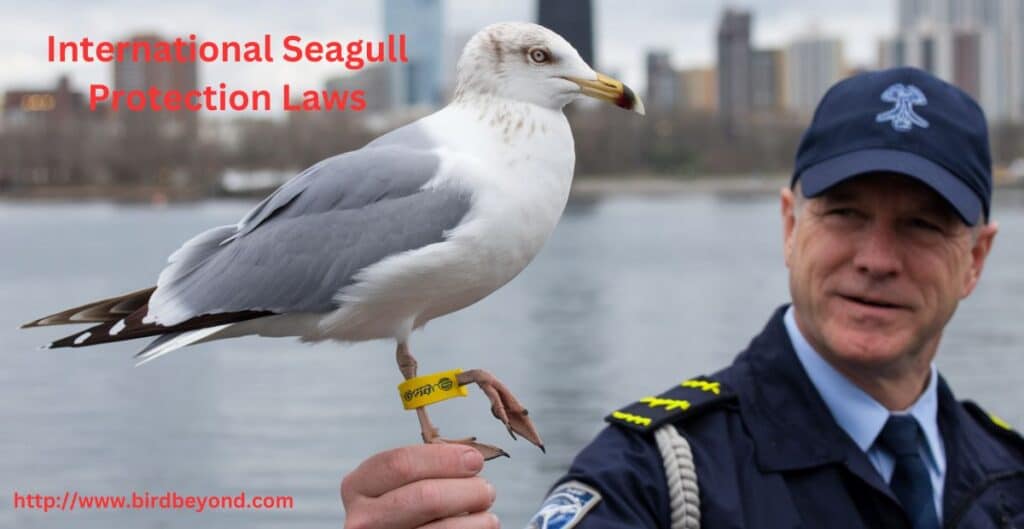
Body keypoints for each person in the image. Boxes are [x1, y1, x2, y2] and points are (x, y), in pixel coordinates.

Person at [340, 67, 1024, 528]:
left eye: (922, 225)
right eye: (844, 213)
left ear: (977, 259)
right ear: (790, 226)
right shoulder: (651, 481)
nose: (876, 259)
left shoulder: (1009, 475)